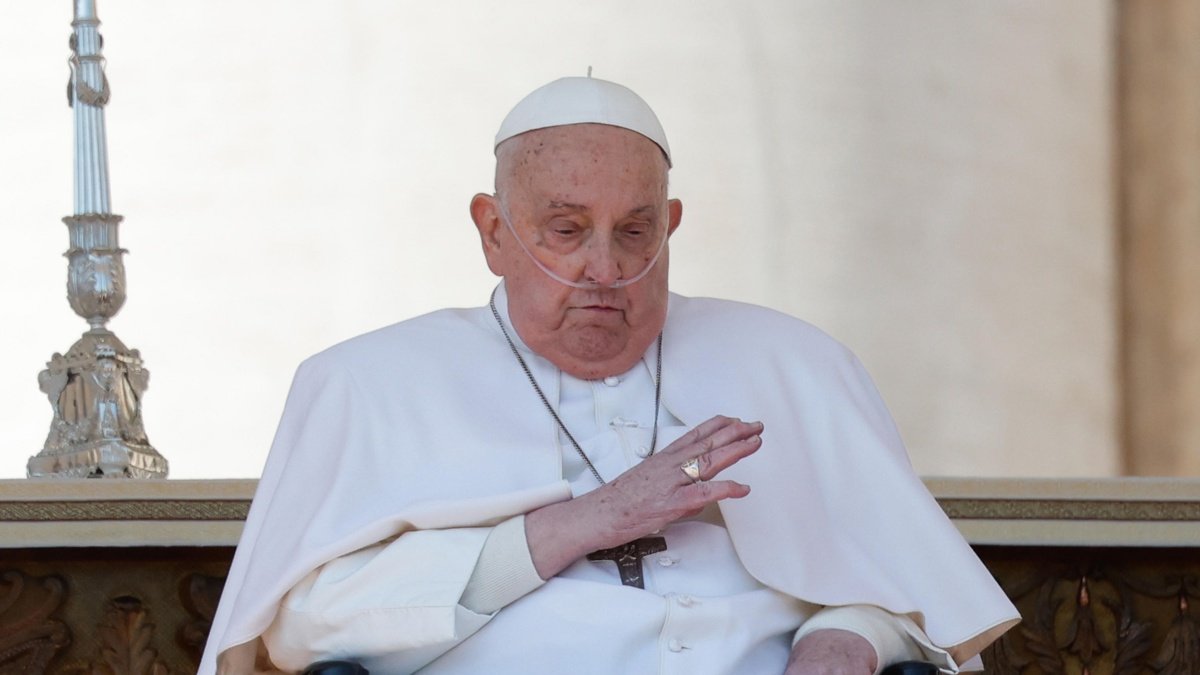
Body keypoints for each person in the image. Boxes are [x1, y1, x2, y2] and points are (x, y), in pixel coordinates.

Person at [200, 75, 1018, 675]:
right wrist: (580, 523)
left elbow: (917, 598)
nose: (606, 269)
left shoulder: (794, 363)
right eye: (565, 230)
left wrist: (848, 637)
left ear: (671, 226)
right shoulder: (366, 385)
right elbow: (297, 630)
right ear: (492, 232)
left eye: (634, 232)